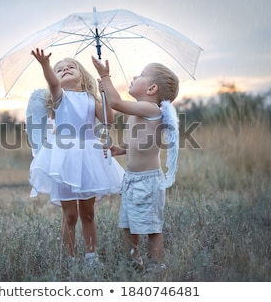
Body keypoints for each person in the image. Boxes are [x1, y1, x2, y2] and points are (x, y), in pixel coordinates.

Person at [28, 48, 125, 267]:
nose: (64, 70)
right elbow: (53, 83)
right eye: (59, 69)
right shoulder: (59, 97)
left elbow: (109, 120)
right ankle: (68, 260)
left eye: (70, 67)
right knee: (70, 214)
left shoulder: (92, 99)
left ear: (82, 74)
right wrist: (45, 65)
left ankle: (91, 257)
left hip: (89, 158)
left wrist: (105, 93)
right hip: (64, 159)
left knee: (88, 213)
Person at [92, 56, 180, 273]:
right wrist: (120, 149)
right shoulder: (140, 111)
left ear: (151, 89)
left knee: (151, 227)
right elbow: (137, 143)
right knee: (129, 225)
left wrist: (105, 76)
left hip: (147, 181)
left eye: (140, 75)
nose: (134, 77)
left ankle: (157, 265)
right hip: (131, 179)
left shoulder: (151, 110)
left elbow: (116, 103)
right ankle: (133, 261)